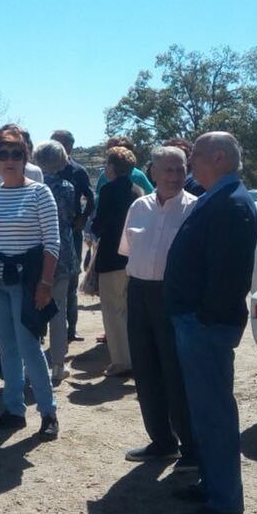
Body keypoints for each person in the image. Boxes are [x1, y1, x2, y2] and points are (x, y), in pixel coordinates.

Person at [164, 131, 257, 514]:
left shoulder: (232, 204)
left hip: (206, 325)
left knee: (214, 413)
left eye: (196, 156)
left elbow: (228, 276)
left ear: (218, 158)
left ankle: (224, 501)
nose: (190, 164)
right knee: (204, 412)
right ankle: (213, 483)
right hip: (198, 322)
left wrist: (203, 315)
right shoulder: (218, 197)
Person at [0, 126, 62, 439]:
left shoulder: (38, 192)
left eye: (16, 154)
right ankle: (13, 410)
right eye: (2, 154)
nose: (9, 160)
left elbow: (52, 243)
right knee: (7, 347)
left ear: (25, 157)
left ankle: (48, 413)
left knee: (29, 345)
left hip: (26, 280)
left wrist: (45, 284)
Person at [120, 146, 199, 466]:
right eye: (167, 169)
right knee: (145, 369)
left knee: (176, 373)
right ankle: (162, 440)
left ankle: (192, 448)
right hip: (138, 292)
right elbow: (128, 250)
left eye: (180, 169)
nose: (175, 176)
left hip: (175, 296)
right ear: (152, 172)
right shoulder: (138, 207)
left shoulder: (196, 209)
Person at [33, 139, 79, 386]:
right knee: (58, 309)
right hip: (61, 253)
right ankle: (58, 365)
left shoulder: (31, 187)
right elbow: (70, 217)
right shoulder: (67, 188)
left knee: (34, 308)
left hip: (35, 253)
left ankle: (33, 363)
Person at [90, 146, 138, 377]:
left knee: (111, 310)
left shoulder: (108, 191)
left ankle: (120, 361)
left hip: (111, 256)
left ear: (112, 167)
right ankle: (133, 357)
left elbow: (100, 223)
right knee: (128, 309)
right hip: (132, 257)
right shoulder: (138, 191)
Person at [49, 130, 96, 343]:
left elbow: (90, 196)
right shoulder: (42, 170)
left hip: (71, 233)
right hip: (45, 233)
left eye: (60, 143)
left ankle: (71, 329)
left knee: (70, 281)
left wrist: (83, 218)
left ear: (69, 146)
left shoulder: (77, 171)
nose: (56, 147)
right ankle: (41, 331)